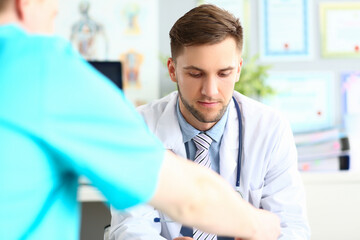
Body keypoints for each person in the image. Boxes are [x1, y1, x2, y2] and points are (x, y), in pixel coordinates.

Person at [0, 0, 281, 240]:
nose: (55, 14)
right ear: (24, 4)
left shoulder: (268, 125)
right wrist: (262, 224)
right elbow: (191, 198)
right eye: (51, 5)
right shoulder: (41, 69)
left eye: (223, 73)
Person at [110, 4, 310, 240]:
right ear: (173, 71)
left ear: (238, 70)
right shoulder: (139, 129)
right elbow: (130, 227)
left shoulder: (270, 129)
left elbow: (292, 228)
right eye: (196, 74)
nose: (210, 91)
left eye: (224, 73)